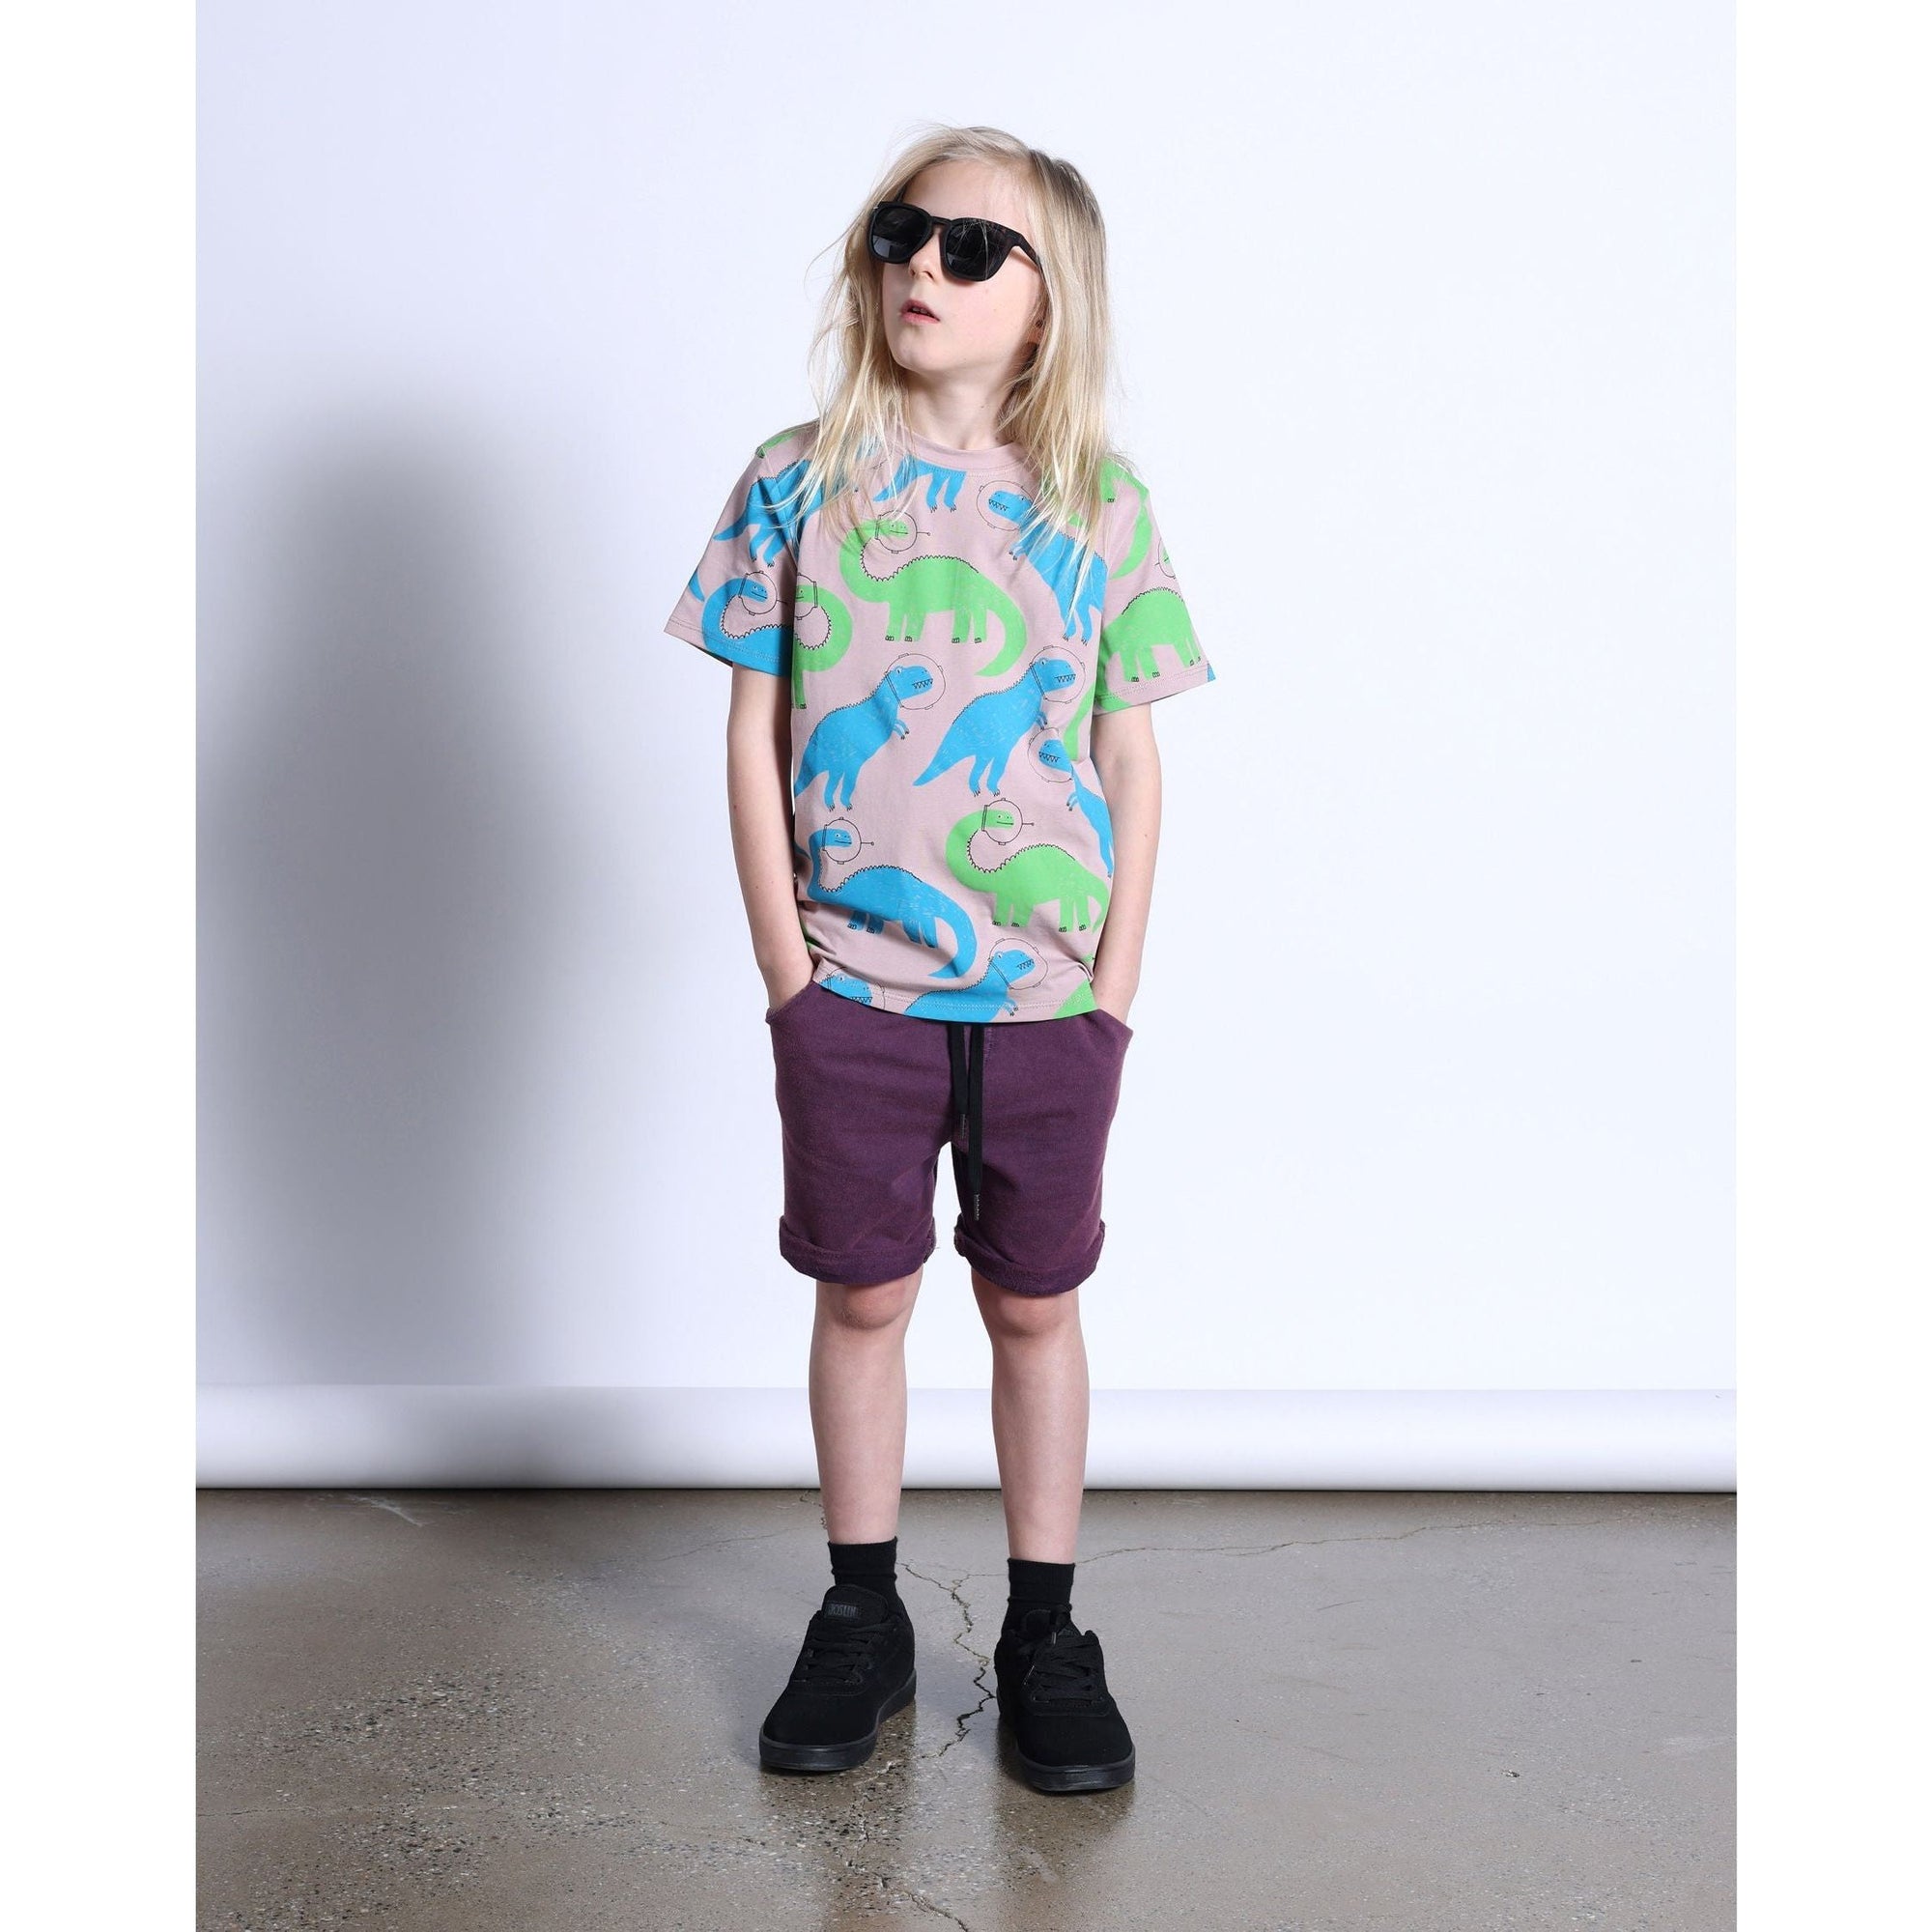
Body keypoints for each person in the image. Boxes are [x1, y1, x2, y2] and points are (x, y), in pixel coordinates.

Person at [663, 125, 1215, 1795]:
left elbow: (1130, 754)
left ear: (1050, 300)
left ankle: (1044, 1629)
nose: (925, 264)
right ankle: (862, 1611)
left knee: (1034, 1305)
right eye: (904, 230)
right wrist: (791, 975)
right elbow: (753, 733)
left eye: (975, 247)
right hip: (853, 987)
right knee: (865, 1293)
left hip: (1048, 998)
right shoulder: (795, 479)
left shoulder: (1100, 502)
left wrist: (1113, 991)